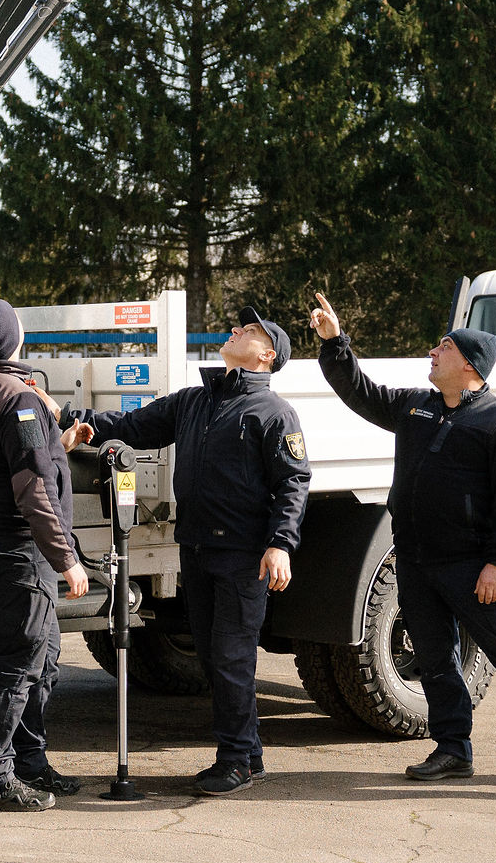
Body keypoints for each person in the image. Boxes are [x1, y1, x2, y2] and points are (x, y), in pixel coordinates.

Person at [310, 293, 496, 790]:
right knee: (436, 661)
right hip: (416, 562)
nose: (432, 354)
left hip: (474, 566)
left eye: (443, 348)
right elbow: (361, 393)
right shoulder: (417, 406)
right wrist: (335, 344)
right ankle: (453, 749)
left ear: (470, 366)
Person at [59, 306, 310, 796]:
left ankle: (236, 761)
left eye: (250, 330)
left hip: (242, 557)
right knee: (216, 658)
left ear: (266, 355)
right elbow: (132, 425)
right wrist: (75, 420)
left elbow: (293, 482)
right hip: (196, 550)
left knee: (231, 657)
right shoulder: (195, 401)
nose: (236, 330)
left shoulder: (274, 413)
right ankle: (249, 753)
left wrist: (280, 544)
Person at [0, 297, 92, 811]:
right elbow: (32, 487)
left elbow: (10, 459)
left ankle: (31, 762)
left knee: (45, 657)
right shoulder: (21, 398)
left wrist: (61, 441)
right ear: (15, 339)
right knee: (19, 661)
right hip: (18, 546)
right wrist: (66, 558)